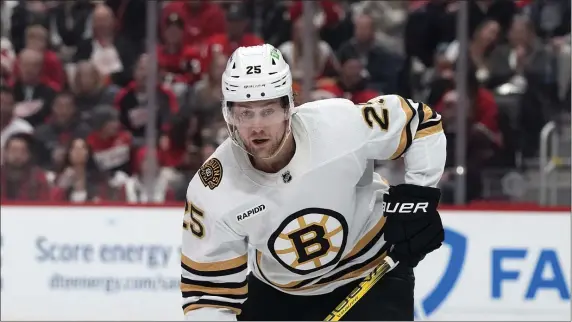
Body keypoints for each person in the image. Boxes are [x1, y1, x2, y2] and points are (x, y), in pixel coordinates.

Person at [180, 44, 446, 321]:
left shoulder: (338, 124)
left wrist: (420, 197)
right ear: (229, 116)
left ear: (287, 107)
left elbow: (420, 123)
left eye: (267, 111)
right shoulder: (211, 191)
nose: (257, 126)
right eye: (245, 113)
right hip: (280, 294)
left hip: (374, 273)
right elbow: (207, 295)